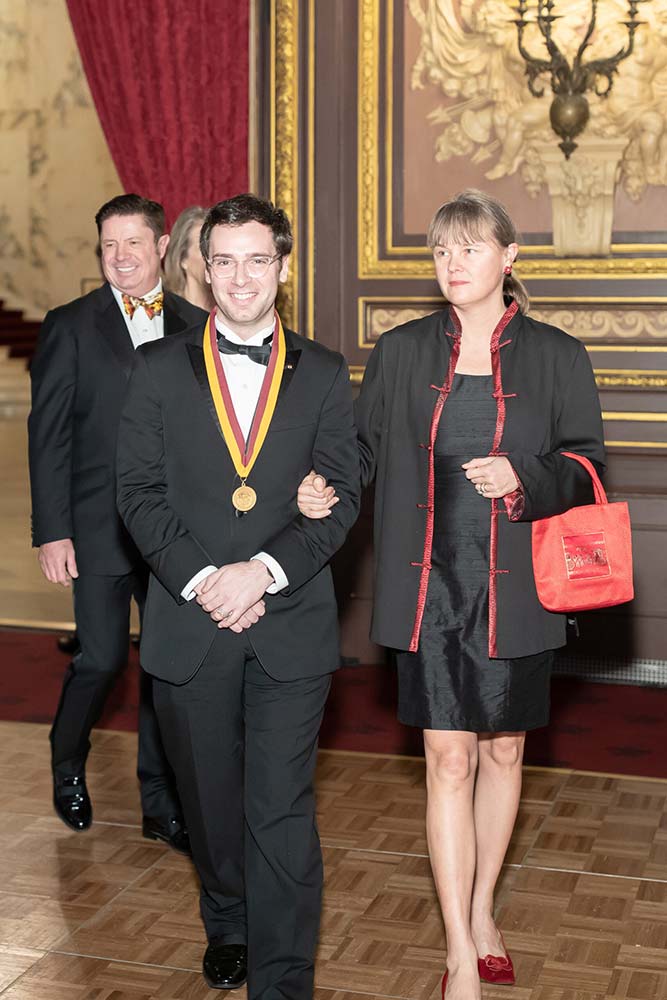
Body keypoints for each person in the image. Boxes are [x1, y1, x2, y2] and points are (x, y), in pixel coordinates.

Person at [297, 189, 605, 1000]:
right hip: (427, 584)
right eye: (440, 250)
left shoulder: (557, 355)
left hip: (518, 590)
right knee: (447, 757)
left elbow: (586, 466)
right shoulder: (400, 351)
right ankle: (460, 953)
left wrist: (523, 475)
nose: (453, 263)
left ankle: (481, 911)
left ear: (509, 257)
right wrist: (326, 484)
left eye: (469, 248)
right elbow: (358, 451)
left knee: (503, 751)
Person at [115, 193, 360, 997]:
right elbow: (137, 494)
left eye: (258, 260)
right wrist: (205, 580)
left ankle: (282, 981)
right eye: (225, 261)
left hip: (289, 624)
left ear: (283, 268)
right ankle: (226, 917)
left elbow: (342, 496)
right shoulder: (156, 368)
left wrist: (262, 571)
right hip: (191, 623)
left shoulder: (324, 372)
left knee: (280, 809)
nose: (241, 277)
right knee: (211, 805)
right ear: (203, 268)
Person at [28, 193, 207, 851]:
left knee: (165, 667)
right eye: (109, 244)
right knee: (101, 659)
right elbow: (47, 435)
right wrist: (53, 530)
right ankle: (66, 759)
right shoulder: (70, 325)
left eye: (133, 242)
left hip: (172, 532)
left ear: (161, 246)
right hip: (96, 528)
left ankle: (160, 802)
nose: (121, 256)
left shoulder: (196, 325)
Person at [163, 204, 215, 310]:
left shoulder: (230, 312)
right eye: (204, 248)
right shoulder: (165, 313)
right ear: (182, 258)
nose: (214, 256)